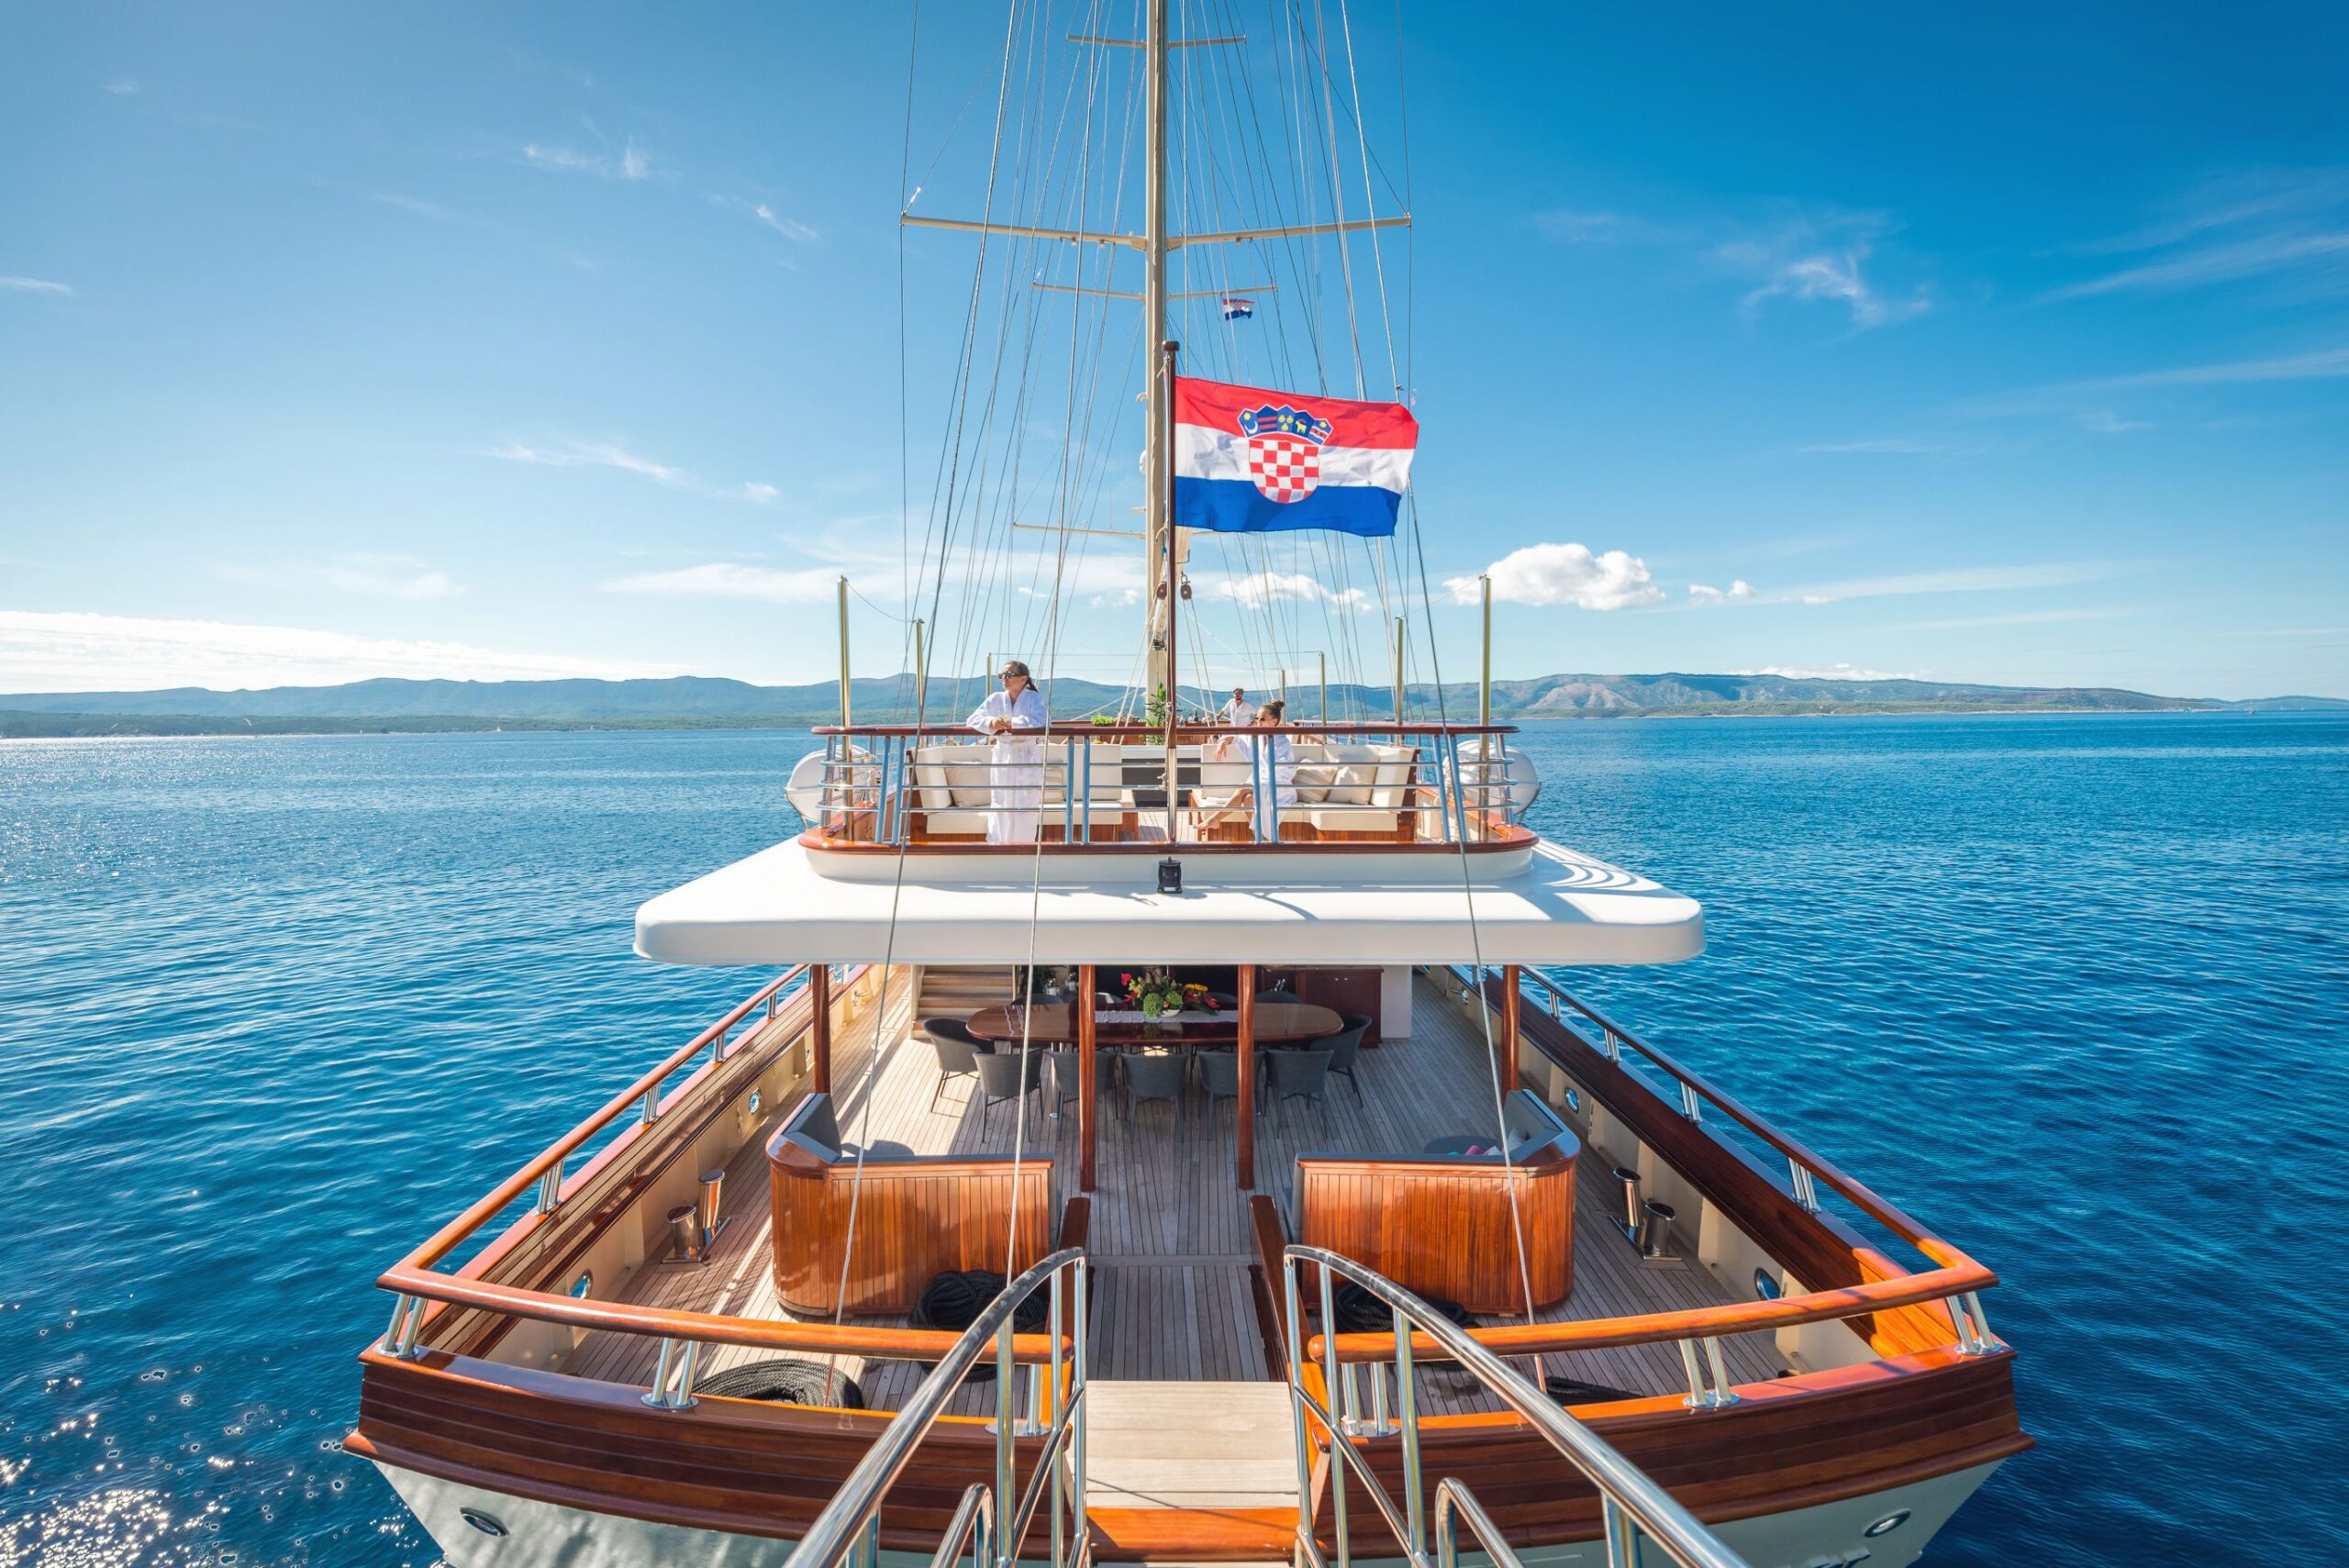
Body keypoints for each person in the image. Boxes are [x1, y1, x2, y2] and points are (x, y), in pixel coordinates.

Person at [965, 661, 1048, 843]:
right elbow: (972, 719)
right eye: (1002, 675)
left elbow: (1042, 720)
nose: (1004, 678)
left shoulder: (1034, 698)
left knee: (1026, 801)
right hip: (1003, 754)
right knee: (1001, 799)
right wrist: (991, 722)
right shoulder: (996, 698)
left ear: (1023, 678)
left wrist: (1012, 723)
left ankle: (1023, 844)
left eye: (1009, 675)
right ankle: (998, 844)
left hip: (1026, 754)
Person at [1195, 698, 1297, 836]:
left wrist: (1263, 781)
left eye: (1262, 719)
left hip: (1278, 785)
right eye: (1256, 718)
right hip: (1260, 782)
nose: (1258, 722)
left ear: (1274, 721)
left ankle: (1215, 819)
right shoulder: (1257, 737)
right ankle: (1261, 839)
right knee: (1248, 798)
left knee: (1243, 788)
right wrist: (1224, 741)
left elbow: (1285, 770)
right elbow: (1237, 736)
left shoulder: (1282, 742)